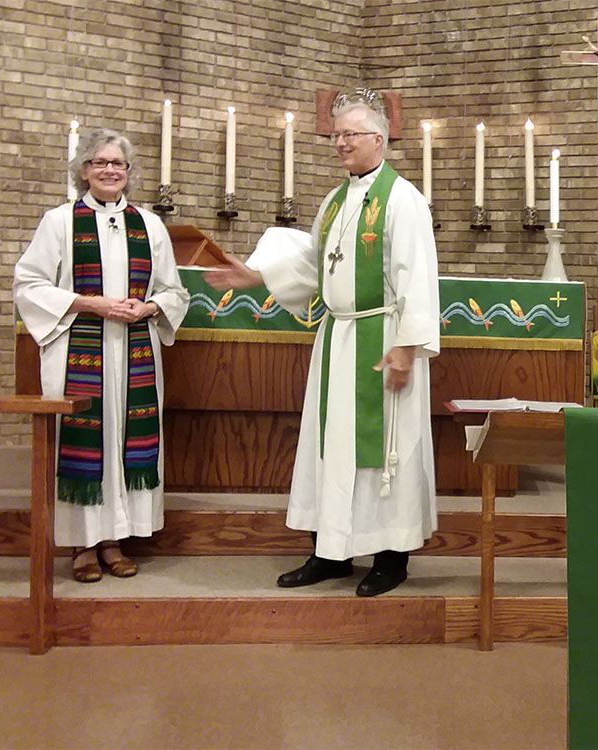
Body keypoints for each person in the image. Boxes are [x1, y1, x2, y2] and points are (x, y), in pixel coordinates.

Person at [205, 88, 440, 597]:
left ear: (378, 138)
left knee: (386, 454)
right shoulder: (336, 201)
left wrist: (405, 347)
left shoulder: (403, 199)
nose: (339, 143)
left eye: (349, 134)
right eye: (335, 135)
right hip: (338, 339)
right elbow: (314, 263)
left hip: (383, 341)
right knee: (329, 450)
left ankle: (391, 557)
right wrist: (256, 275)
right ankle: (330, 552)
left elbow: (419, 275)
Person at [14, 128, 189, 583]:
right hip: (80, 349)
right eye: (100, 163)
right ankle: (82, 545)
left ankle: (115, 541)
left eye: (119, 164)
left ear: (129, 173)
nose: (110, 170)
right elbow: (29, 285)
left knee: (125, 436)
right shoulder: (60, 222)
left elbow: (174, 291)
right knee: (87, 439)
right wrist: (93, 304)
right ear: (83, 171)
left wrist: (149, 306)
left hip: (135, 351)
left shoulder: (150, 225)